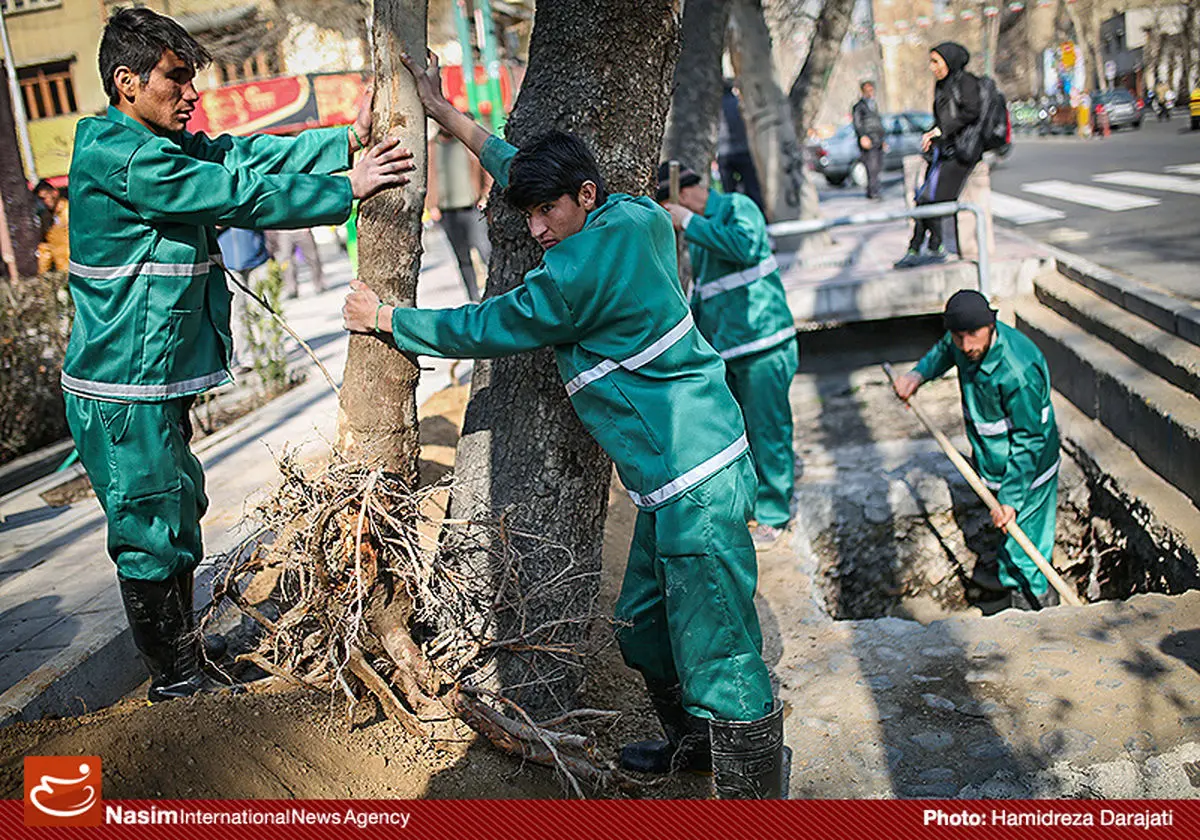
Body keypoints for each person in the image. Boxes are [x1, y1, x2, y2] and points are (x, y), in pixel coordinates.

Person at [341, 50, 787, 799]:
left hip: (696, 478)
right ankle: (696, 746)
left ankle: (752, 799)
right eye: (530, 213)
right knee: (643, 625)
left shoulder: (574, 280)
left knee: (721, 653)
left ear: (584, 196)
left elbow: (483, 324)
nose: (539, 230)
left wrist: (383, 315)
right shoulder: (633, 213)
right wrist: (445, 114)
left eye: (549, 213)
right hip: (676, 472)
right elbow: (522, 165)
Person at [61, 7, 413, 703]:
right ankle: (175, 679)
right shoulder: (123, 156)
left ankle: (183, 647)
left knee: (176, 511)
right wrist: (349, 186)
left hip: (151, 387)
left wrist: (341, 142)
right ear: (126, 81)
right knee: (150, 529)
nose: (190, 93)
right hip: (124, 393)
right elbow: (235, 192)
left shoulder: (154, 143)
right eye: (176, 78)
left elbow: (239, 156)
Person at [656, 163, 797, 550]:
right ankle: (750, 507)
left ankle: (773, 515)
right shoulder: (701, 233)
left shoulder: (735, 208)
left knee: (769, 430)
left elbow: (747, 247)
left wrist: (689, 223)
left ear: (682, 196)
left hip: (763, 344)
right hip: (729, 350)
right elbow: (705, 294)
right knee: (741, 437)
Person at [891, 290, 1061, 611]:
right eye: (959, 337)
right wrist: (918, 374)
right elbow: (944, 350)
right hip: (992, 465)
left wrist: (1010, 498)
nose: (967, 346)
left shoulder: (1017, 372)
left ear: (991, 324)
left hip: (1029, 473)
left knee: (1026, 556)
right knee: (1011, 546)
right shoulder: (963, 345)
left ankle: (1038, 618)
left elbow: (1029, 441)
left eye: (973, 335)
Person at [895, 42, 982, 269]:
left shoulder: (966, 82)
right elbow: (940, 118)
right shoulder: (942, 85)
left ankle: (928, 247)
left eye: (936, 61)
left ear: (949, 60)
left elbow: (972, 112)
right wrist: (933, 135)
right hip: (944, 152)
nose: (932, 67)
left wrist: (942, 130)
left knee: (932, 201)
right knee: (924, 199)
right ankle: (923, 247)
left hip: (964, 153)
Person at [427, 116, 492, 302]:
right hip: (447, 211)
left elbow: (485, 168)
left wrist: (485, 194)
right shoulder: (432, 147)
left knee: (485, 250)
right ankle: (473, 298)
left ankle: (494, 293)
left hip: (472, 207)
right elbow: (428, 177)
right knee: (462, 257)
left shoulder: (466, 143)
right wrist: (431, 205)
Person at [216, 227, 270, 372]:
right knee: (237, 314)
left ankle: (270, 354)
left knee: (262, 309)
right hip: (228, 262)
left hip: (256, 258)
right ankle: (247, 358)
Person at [717, 80, 766, 217]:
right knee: (752, 188)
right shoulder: (739, 104)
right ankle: (759, 217)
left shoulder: (715, 107)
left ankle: (733, 217)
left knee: (729, 191)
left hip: (724, 153)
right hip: (743, 151)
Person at [851, 80, 885, 201]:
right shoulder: (859, 106)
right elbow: (857, 123)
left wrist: (883, 139)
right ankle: (873, 191)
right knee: (872, 167)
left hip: (878, 139)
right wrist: (863, 136)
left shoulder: (873, 104)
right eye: (867, 90)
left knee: (878, 167)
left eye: (871, 89)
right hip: (868, 140)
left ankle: (875, 189)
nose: (870, 92)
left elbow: (877, 122)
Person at [269, 228, 325, 298]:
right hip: (283, 232)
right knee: (286, 262)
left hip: (302, 230)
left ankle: (319, 284)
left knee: (313, 258)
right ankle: (291, 289)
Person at [34, 179, 69, 273]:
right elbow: (46, 249)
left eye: (45, 197)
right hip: (64, 273)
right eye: (41, 199)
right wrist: (41, 273)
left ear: (55, 193)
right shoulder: (47, 220)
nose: (44, 202)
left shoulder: (70, 211)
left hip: (83, 268)